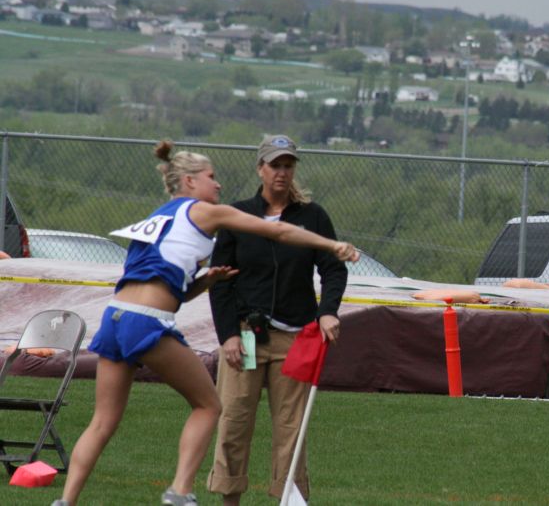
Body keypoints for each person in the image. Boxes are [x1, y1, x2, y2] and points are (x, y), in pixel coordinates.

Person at [51, 140, 358, 506]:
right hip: (195, 329)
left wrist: (203, 282)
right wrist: (332, 246)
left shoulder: (159, 216)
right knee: (211, 406)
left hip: (116, 317)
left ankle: (65, 502)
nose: (218, 185)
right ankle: (180, 492)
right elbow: (278, 232)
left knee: (102, 422)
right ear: (190, 182)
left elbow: (164, 286)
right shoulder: (205, 211)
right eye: (212, 177)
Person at [206, 134, 349, 505]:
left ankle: (289, 499)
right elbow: (219, 283)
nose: (282, 173)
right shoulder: (237, 216)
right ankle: (229, 499)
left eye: (288, 165)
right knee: (234, 422)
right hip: (246, 338)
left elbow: (333, 269)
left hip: (295, 339)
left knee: (291, 430)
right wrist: (228, 336)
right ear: (260, 169)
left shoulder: (313, 216)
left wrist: (328, 311)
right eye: (275, 165)